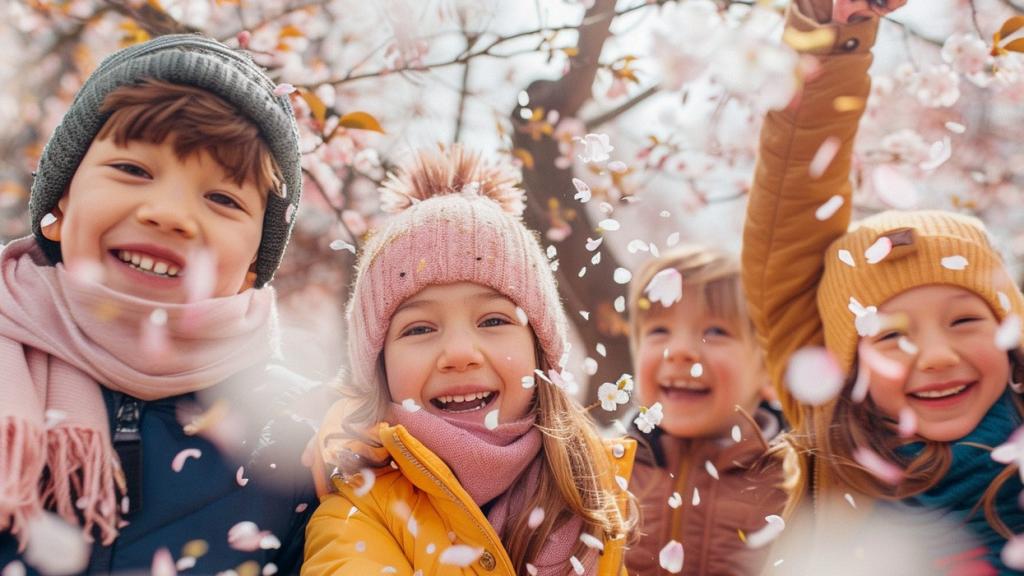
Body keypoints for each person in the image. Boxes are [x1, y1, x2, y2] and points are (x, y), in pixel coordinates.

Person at [0, 34, 318, 575]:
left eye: (222, 198)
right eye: (133, 170)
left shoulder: (298, 435)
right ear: (61, 200)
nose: (169, 214)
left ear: (253, 264)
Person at [743, 0, 1024, 572]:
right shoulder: (838, 440)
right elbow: (787, 224)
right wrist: (832, 33)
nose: (937, 356)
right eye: (891, 336)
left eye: (965, 320)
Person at [302, 145, 636, 575]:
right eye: (419, 329)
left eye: (494, 320)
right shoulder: (358, 512)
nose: (459, 353)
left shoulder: (600, 497)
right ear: (379, 366)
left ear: (540, 350)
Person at [624, 245, 792, 575]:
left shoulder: (793, 482)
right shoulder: (604, 471)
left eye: (715, 332)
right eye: (659, 330)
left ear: (768, 368)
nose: (679, 351)